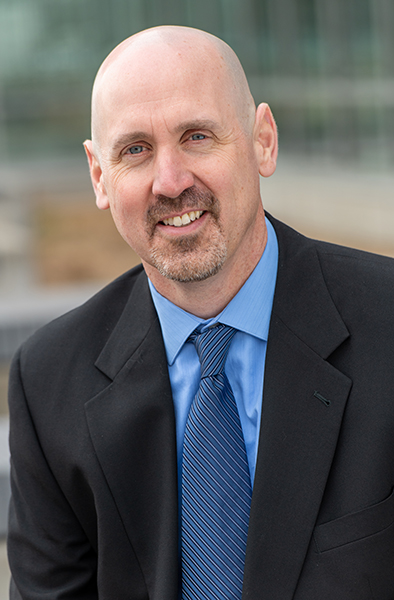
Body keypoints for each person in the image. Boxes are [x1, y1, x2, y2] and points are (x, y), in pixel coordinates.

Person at [7, 25, 394, 600]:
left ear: (263, 140)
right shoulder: (48, 382)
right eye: (135, 150)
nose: (171, 181)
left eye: (197, 136)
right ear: (99, 176)